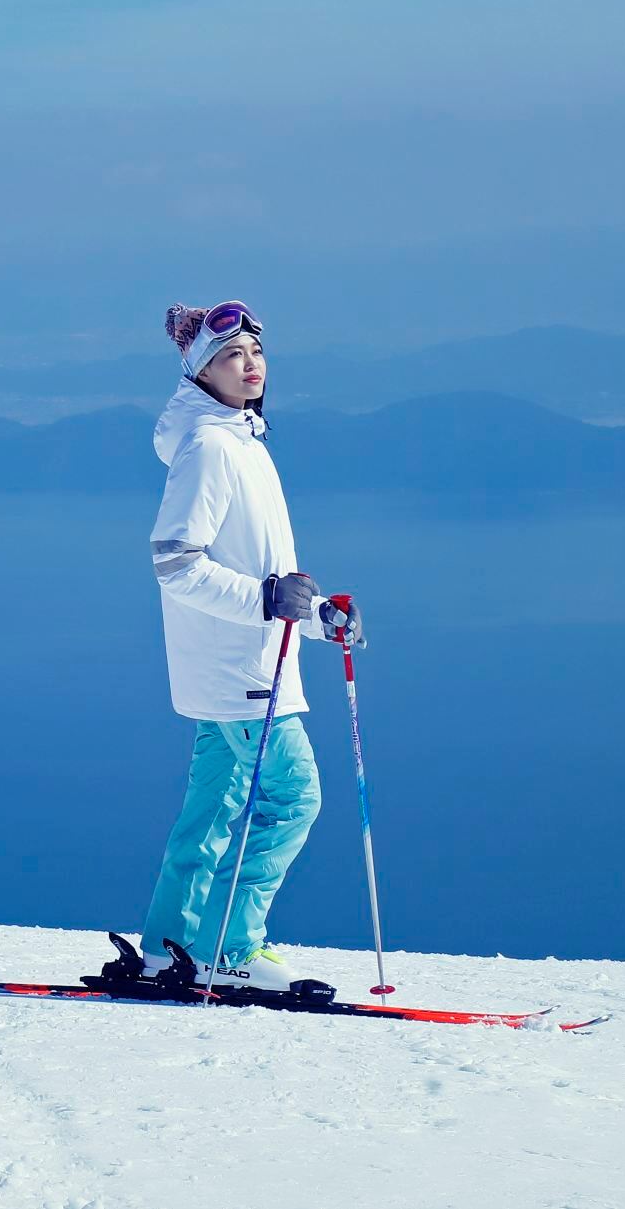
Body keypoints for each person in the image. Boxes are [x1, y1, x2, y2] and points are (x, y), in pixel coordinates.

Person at [137, 301, 364, 992]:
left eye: (256, 351)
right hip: (244, 676)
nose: (251, 363)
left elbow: (262, 572)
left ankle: (171, 946)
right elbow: (176, 563)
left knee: (212, 809)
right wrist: (267, 599)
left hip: (233, 670)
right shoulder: (211, 447)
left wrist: (320, 617)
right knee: (293, 798)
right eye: (232, 355)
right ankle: (230, 950)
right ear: (202, 371)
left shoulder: (242, 442)